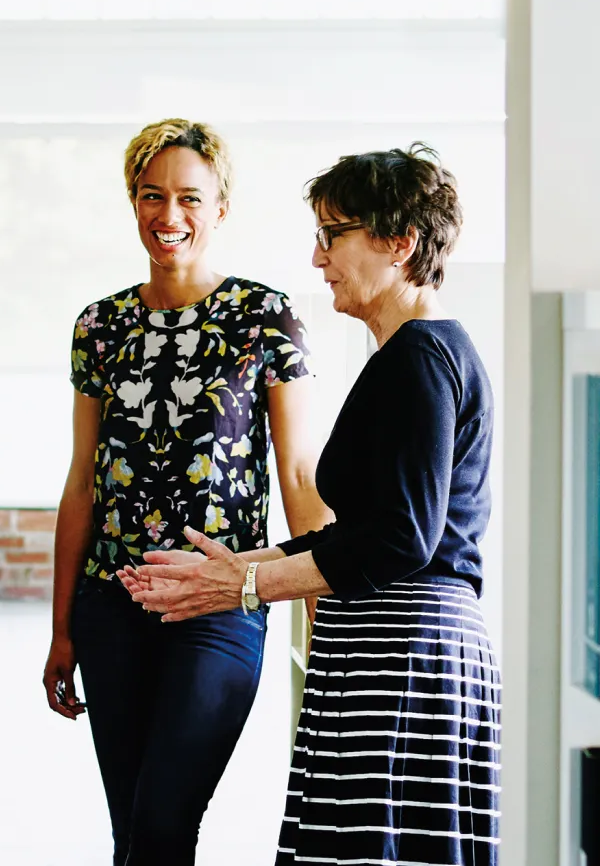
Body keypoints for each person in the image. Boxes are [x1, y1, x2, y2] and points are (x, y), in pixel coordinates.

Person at [128, 144, 500, 865]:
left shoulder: (420, 359)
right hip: (390, 651)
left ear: (400, 242)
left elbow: (401, 540)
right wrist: (239, 566)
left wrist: (246, 584)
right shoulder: (410, 354)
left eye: (334, 235)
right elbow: (372, 528)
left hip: (405, 656)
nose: (318, 257)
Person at [43, 119, 333, 865]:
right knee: (133, 833)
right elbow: (83, 480)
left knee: (166, 821)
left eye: (188, 198)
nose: (168, 216)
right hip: (113, 604)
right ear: (132, 203)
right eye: (151, 196)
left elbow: (298, 475)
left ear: (220, 209)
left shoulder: (266, 317)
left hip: (221, 602)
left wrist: (320, 609)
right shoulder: (98, 326)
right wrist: (62, 626)